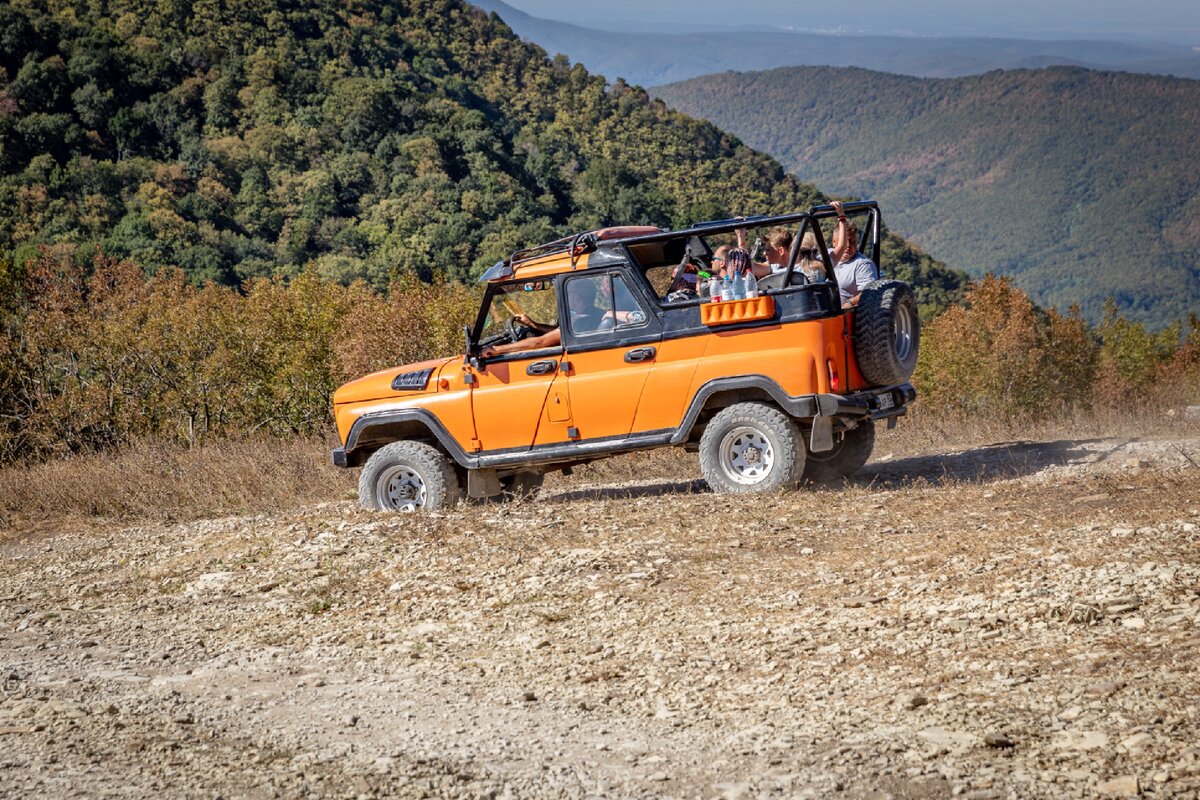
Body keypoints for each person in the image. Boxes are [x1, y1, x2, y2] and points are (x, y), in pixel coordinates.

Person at [830, 200, 879, 308]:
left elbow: (868, 293)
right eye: (845, 242)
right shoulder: (826, 257)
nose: (848, 246)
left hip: (848, 314)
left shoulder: (862, 264)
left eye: (852, 242)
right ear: (834, 242)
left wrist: (850, 303)